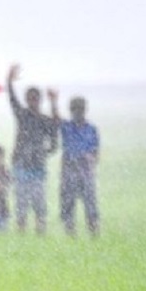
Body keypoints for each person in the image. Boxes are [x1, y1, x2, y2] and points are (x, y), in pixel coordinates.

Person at [6, 64, 58, 234]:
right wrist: (9, 80)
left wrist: (54, 103)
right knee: (21, 206)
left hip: (37, 168)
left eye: (35, 98)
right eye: (30, 98)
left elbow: (54, 134)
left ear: (39, 100)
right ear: (27, 100)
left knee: (39, 207)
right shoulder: (22, 115)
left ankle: (39, 236)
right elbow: (12, 99)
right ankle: (22, 236)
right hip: (21, 167)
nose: (33, 101)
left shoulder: (44, 120)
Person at [54, 96, 101, 237]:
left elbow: (96, 153)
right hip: (69, 172)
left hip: (86, 173)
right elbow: (56, 120)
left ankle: (94, 236)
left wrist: (89, 158)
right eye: (75, 109)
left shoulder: (91, 129)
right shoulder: (67, 126)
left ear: (85, 110)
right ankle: (71, 236)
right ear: (71, 110)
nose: (78, 112)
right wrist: (53, 102)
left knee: (91, 207)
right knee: (68, 207)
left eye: (80, 109)